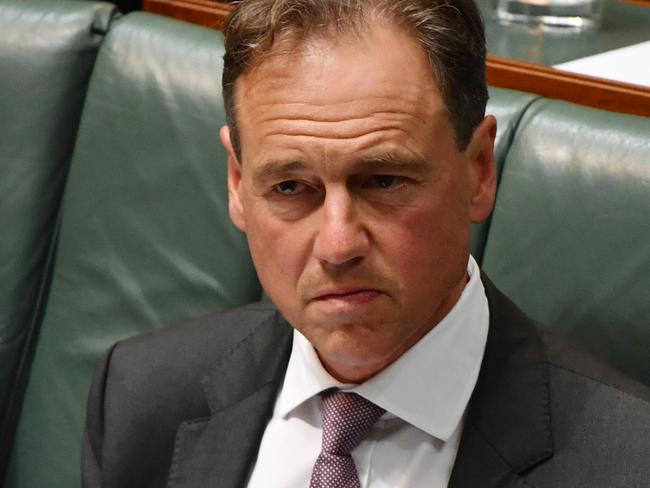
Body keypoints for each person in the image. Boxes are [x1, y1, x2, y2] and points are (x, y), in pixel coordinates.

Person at [81, 0, 650, 487]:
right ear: (237, 184)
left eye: (383, 181)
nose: (337, 244)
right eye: (290, 187)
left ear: (478, 171)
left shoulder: (627, 460)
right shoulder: (140, 398)